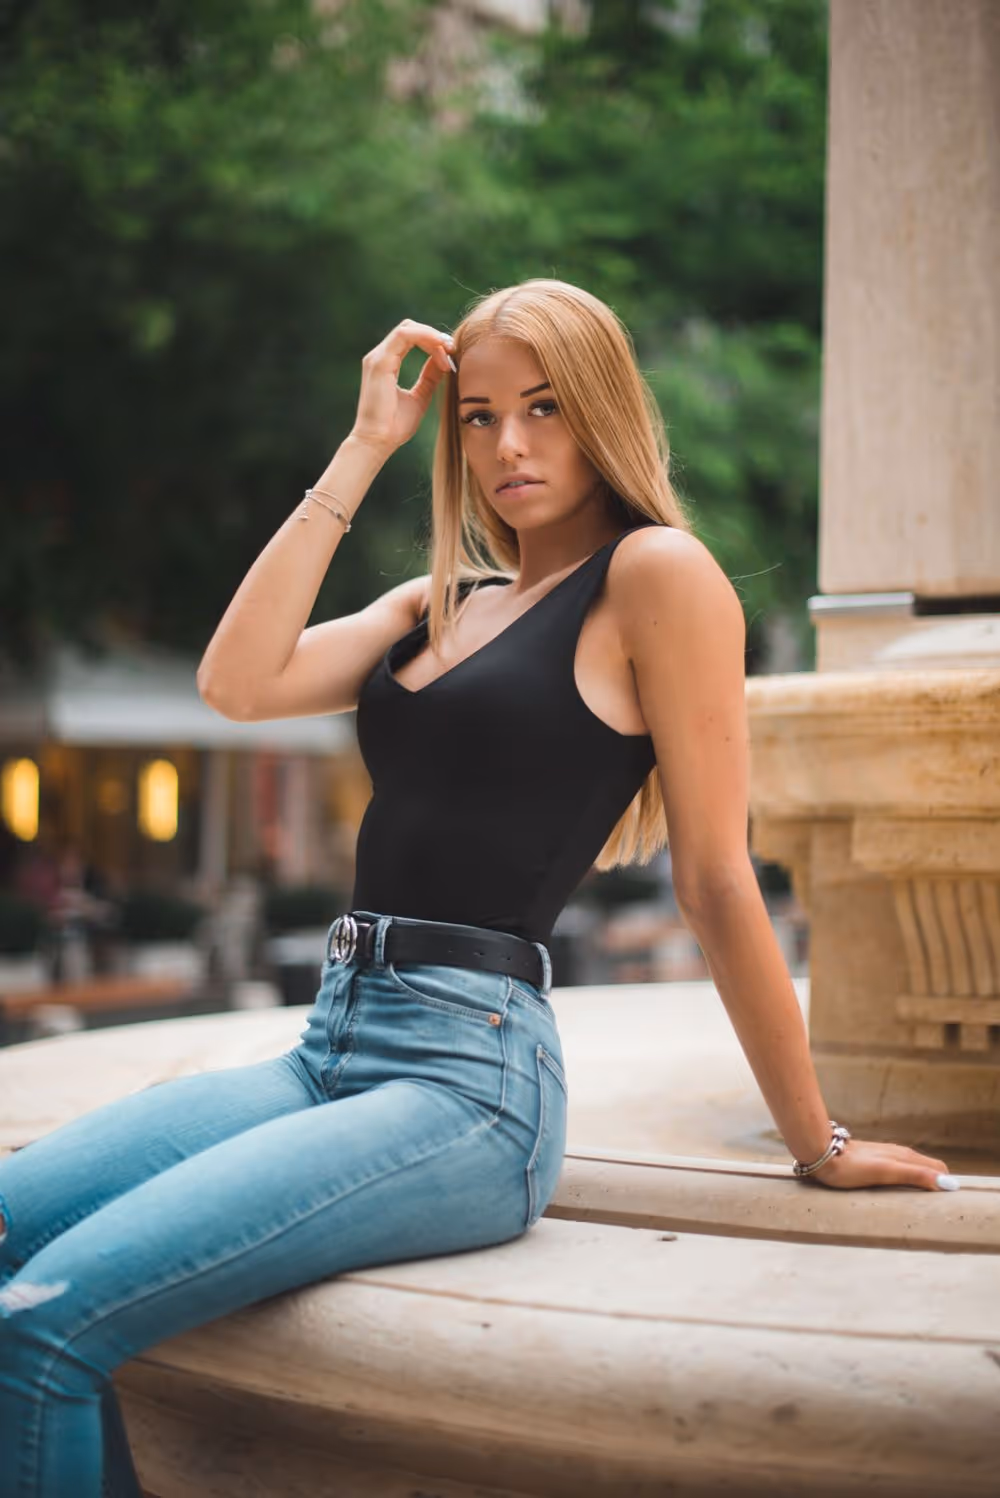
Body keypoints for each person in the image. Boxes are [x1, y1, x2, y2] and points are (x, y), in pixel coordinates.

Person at [0, 278, 958, 1497]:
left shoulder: (655, 576)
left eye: (545, 408)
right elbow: (235, 684)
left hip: (468, 1083)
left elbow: (718, 881)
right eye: (481, 416)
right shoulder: (436, 602)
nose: (510, 445)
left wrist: (815, 1140)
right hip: (329, 1048)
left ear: (603, 412)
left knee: (43, 1322)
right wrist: (363, 446)